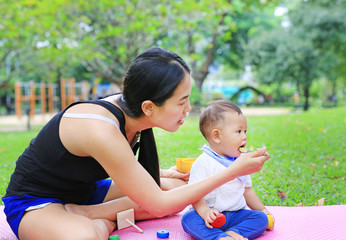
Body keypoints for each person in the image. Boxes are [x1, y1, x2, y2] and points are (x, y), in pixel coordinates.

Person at [2, 47, 270, 240]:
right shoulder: (101, 129)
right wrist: (234, 171)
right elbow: (159, 205)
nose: (189, 108)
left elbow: (122, 167)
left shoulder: (132, 109)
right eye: (181, 101)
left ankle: (89, 213)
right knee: (82, 237)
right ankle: (98, 221)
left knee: (178, 187)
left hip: (84, 192)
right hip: (35, 202)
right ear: (149, 107)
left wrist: (164, 173)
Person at [181, 100, 274, 240]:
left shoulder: (241, 161)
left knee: (260, 218)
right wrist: (205, 211)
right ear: (217, 136)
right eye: (238, 131)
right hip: (209, 218)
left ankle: (232, 234)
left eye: (245, 131)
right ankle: (219, 237)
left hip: (236, 214)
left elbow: (247, 190)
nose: (244, 137)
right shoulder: (203, 162)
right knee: (188, 219)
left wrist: (263, 210)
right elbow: (195, 195)